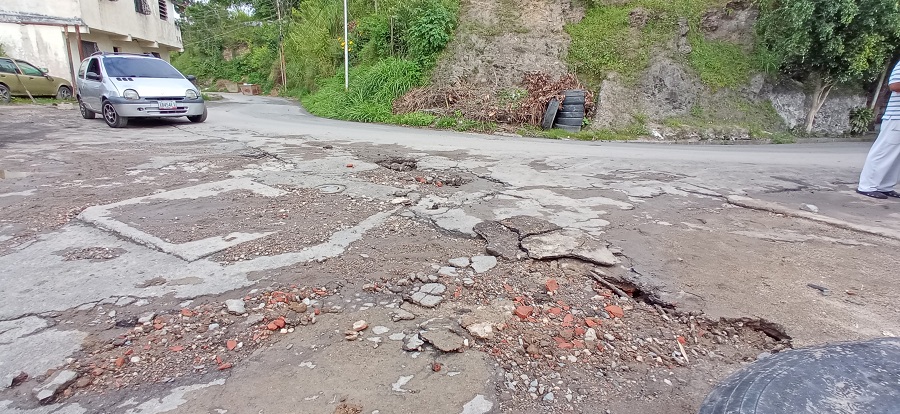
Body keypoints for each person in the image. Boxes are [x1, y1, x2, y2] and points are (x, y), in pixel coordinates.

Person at [858, 60, 900, 199]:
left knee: (896, 157)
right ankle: (866, 186)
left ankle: (885, 186)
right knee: (883, 151)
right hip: (896, 116)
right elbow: (894, 85)